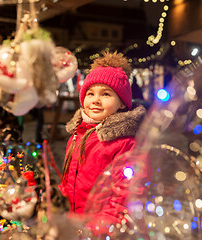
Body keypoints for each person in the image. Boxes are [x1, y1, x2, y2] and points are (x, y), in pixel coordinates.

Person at [59, 51, 146, 235]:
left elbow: (127, 197)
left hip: (102, 232)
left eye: (106, 94)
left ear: (122, 103)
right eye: (90, 93)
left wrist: (95, 229)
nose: (95, 100)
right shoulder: (77, 135)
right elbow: (68, 182)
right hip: (74, 228)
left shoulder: (126, 143)